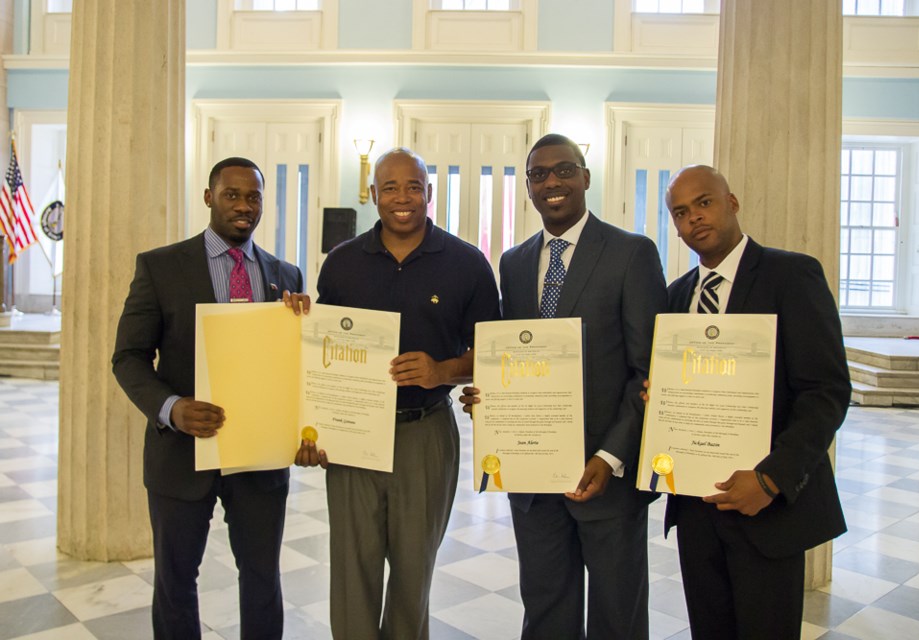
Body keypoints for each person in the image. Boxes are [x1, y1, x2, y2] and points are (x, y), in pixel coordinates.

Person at [463, 133, 667, 639]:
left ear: (585, 177)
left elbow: (649, 371)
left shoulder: (631, 254)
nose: (551, 181)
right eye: (538, 174)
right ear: (528, 188)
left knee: (616, 616)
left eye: (563, 170)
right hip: (533, 479)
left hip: (606, 477)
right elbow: (516, 353)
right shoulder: (512, 262)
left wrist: (610, 456)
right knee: (546, 609)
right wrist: (488, 396)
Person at [294, 147, 501, 639]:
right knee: (352, 570)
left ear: (429, 193)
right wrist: (310, 426)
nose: (402, 198)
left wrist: (441, 370)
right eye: (390, 187)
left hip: (424, 433)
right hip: (350, 437)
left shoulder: (467, 263)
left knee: (414, 572)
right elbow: (322, 352)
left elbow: (493, 355)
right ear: (372, 195)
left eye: (413, 187)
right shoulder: (342, 264)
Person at [112, 157, 310, 640]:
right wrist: (172, 408)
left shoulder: (287, 276)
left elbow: (297, 369)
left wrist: (304, 327)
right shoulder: (159, 267)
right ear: (208, 197)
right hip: (181, 457)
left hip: (260, 460)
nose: (244, 206)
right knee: (176, 581)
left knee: (262, 578)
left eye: (254, 197)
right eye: (232, 195)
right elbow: (128, 358)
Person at [659, 165, 851, 640]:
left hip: (766, 506)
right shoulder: (676, 297)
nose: (694, 219)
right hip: (696, 507)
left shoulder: (792, 274)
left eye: (704, 202)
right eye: (681, 213)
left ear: (732, 202)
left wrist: (770, 479)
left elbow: (826, 391)